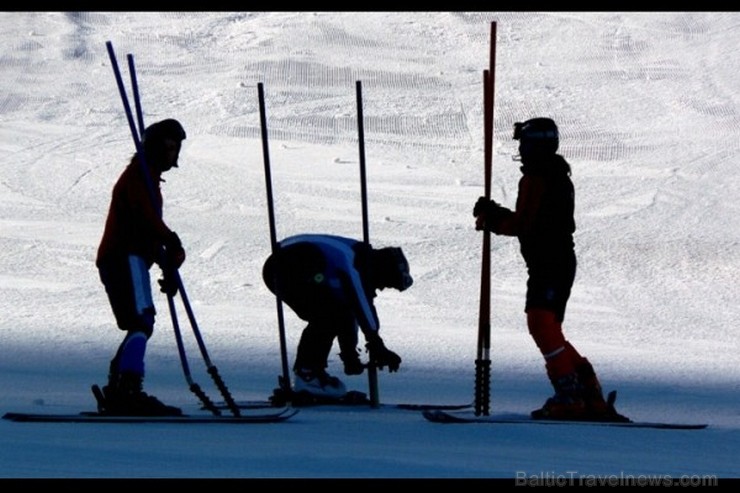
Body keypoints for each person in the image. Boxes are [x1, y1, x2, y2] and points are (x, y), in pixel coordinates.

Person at [473, 117, 627, 422]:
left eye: (525, 143)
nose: (521, 149)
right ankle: (587, 389)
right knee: (548, 327)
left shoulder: (538, 177)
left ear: (537, 145)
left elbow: (524, 224)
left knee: (541, 323)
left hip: (550, 261)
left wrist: (494, 218)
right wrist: (497, 216)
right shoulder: (554, 174)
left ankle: (570, 394)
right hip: (556, 260)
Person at [95, 118, 188, 416]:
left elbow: (146, 231)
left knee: (139, 322)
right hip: (124, 257)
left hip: (129, 257)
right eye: (171, 146)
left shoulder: (147, 178)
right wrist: (169, 239)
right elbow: (145, 220)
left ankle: (120, 386)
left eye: (177, 147)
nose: (175, 153)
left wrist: (168, 263)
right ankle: (127, 389)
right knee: (141, 320)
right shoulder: (139, 176)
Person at [262, 234, 412, 400]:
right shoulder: (353, 263)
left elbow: (349, 311)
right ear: (382, 271)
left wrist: (350, 354)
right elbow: (361, 303)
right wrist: (376, 343)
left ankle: (310, 373)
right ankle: (308, 376)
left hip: (289, 265)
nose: (382, 288)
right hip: (289, 265)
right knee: (326, 316)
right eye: (385, 283)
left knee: (332, 311)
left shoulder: (359, 258)